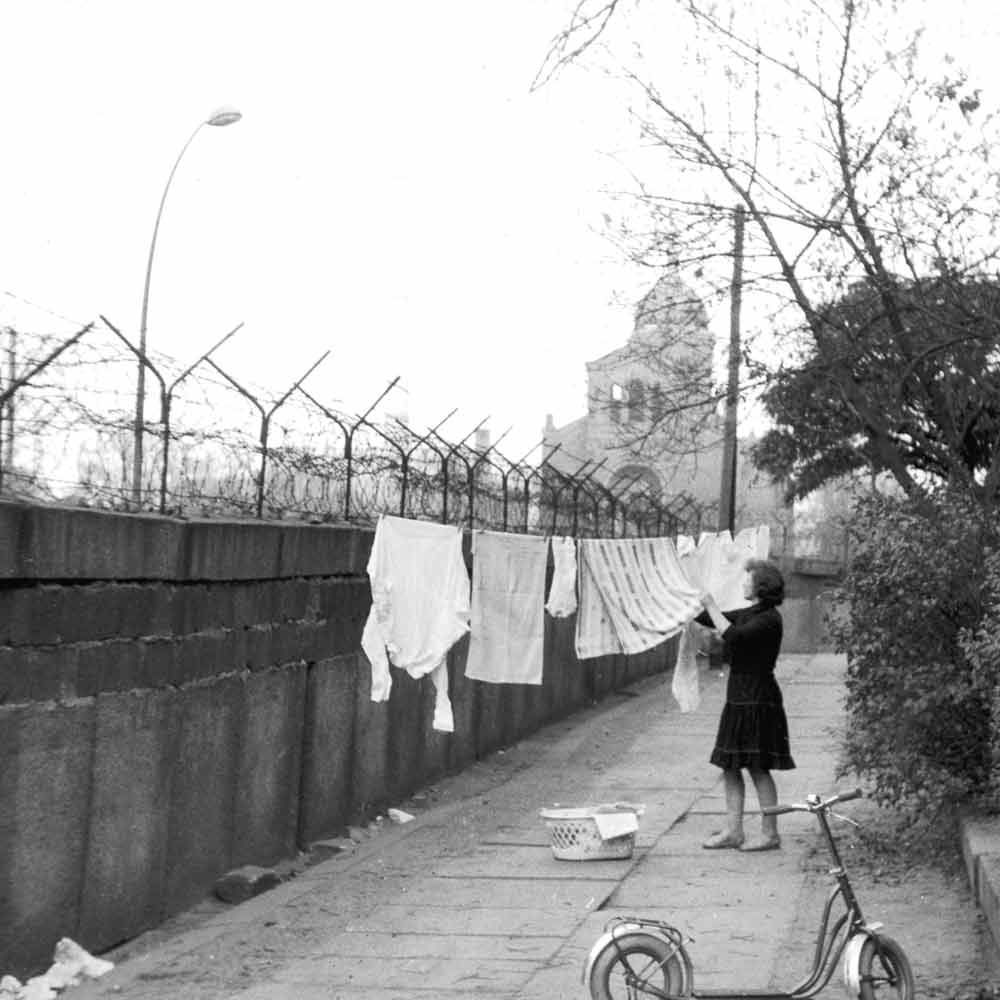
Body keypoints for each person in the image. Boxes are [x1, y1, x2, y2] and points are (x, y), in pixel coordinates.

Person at [695, 558, 795, 852]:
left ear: (760, 585)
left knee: (758, 767)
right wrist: (687, 605)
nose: (743, 582)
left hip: (758, 698)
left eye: (747, 578)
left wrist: (711, 605)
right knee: (730, 765)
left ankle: (769, 833)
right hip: (739, 696)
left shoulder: (768, 619)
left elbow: (733, 635)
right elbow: (712, 619)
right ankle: (734, 831)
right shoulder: (751, 613)